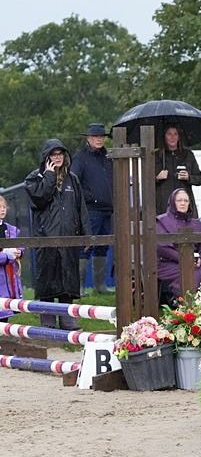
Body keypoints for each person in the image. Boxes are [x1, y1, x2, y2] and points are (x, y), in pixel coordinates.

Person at [23, 139, 89, 329]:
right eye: (54, 154)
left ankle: (68, 317)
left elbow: (80, 207)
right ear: (46, 157)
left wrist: (87, 234)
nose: (58, 157)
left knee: (68, 276)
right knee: (47, 278)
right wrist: (50, 176)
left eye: (61, 153)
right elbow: (40, 199)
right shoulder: (33, 178)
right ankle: (48, 320)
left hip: (69, 237)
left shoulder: (73, 178)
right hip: (45, 238)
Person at [70, 123, 115, 293]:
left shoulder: (108, 156)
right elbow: (75, 183)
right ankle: (80, 286)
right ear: (88, 138)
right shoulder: (80, 158)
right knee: (86, 245)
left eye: (102, 136)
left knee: (103, 246)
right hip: (90, 210)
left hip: (107, 209)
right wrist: (92, 198)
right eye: (96, 136)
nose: (99, 139)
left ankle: (100, 286)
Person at [156, 188, 201, 307]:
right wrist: (186, 259)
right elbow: (163, 248)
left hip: (194, 264)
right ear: (172, 202)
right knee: (192, 275)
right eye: (179, 200)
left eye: (186, 200)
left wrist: (200, 258)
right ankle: (191, 314)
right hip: (169, 264)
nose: (183, 203)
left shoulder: (196, 224)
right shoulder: (161, 221)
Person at [154, 123, 201, 213]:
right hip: (163, 207)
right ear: (164, 137)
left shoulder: (188, 155)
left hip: (185, 207)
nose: (172, 137)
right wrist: (157, 178)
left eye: (175, 134)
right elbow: (146, 182)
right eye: (169, 134)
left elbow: (200, 179)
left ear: (179, 137)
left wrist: (189, 178)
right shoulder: (156, 156)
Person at [0, 195, 23, 322]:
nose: (2, 210)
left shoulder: (10, 229)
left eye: (4, 207)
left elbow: (19, 244)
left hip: (9, 275)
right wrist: (8, 256)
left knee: (5, 309)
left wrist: (19, 251)